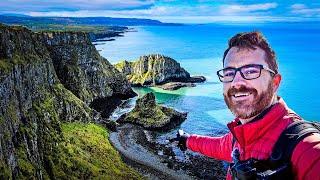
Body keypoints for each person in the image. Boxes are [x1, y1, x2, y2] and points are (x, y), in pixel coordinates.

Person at [173, 31, 320, 180]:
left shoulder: (306, 148)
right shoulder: (239, 139)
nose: (236, 82)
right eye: (229, 73)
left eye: (251, 71)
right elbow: (216, 146)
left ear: (275, 82)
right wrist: (186, 139)